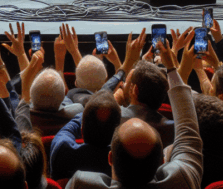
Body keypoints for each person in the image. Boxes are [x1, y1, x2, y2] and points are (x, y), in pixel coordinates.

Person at [66, 40, 203, 189]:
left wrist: (114, 96)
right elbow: (189, 133)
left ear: (110, 158)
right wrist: (171, 68)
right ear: (162, 161)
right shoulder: (182, 180)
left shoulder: (81, 184)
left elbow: (93, 111)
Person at [49, 90, 120, 180]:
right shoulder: (121, 164)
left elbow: (67, 130)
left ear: (81, 131)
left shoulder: (62, 150)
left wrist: (86, 114)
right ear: (115, 136)